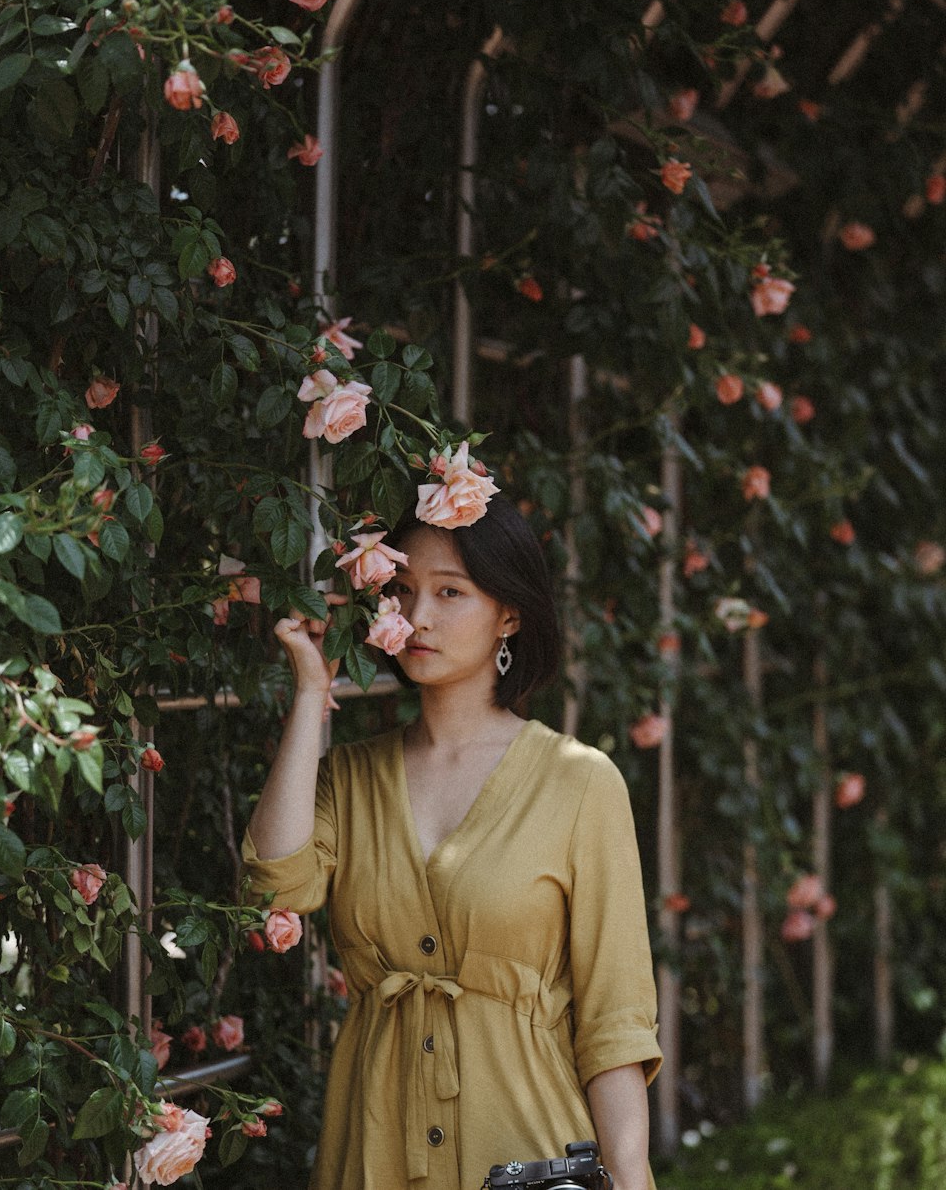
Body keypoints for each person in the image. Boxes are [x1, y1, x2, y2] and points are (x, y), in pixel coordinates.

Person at [242, 495, 662, 1190]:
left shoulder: (580, 783)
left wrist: (631, 1179)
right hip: (372, 1152)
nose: (420, 616)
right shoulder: (349, 778)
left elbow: (615, 1023)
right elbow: (270, 889)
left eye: (450, 591)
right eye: (403, 592)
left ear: (510, 613)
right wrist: (311, 693)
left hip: (530, 1153)